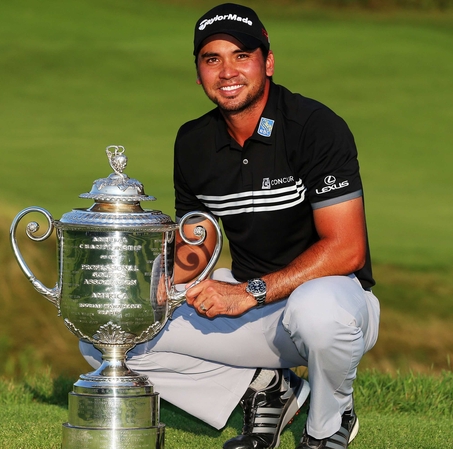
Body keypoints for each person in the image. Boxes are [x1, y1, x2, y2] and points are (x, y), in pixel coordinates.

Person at [81, 3, 380, 448]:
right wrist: (163, 284)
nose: (227, 71)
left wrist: (248, 293)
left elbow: (347, 248)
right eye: (212, 59)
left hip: (335, 302)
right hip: (253, 309)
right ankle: (265, 390)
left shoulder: (314, 127)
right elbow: (196, 240)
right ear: (198, 71)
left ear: (268, 61)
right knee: (109, 333)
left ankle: (329, 424)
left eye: (241, 55)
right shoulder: (194, 141)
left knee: (317, 312)